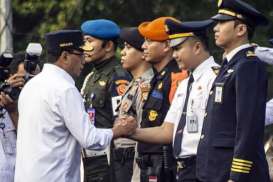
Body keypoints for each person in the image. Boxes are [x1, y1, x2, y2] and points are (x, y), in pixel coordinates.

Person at [14, 30, 136, 182]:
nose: (84, 61)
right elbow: (89, 139)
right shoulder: (64, 89)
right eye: (80, 55)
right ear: (65, 56)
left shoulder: (31, 86)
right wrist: (118, 130)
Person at [129, 19, 218, 182]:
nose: (174, 54)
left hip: (207, 167)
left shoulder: (216, 79)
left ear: (197, 47)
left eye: (177, 48)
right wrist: (130, 132)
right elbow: (167, 131)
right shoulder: (185, 84)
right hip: (184, 169)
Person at [196, 0, 270, 181]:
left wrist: (237, 174)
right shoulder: (230, 66)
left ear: (241, 30)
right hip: (216, 170)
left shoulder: (248, 66)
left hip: (233, 172)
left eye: (222, 22)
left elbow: (248, 126)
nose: (215, 28)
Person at [134, 16, 185, 182]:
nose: (143, 46)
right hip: (149, 162)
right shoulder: (158, 78)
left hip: (164, 163)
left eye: (149, 41)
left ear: (166, 46)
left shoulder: (177, 77)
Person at [80, 19, 131, 182]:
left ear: (108, 46)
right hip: (88, 158)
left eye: (89, 41)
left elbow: (122, 123)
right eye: (83, 41)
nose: (84, 47)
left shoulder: (118, 76)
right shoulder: (90, 77)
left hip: (109, 159)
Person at [112, 27, 154, 182]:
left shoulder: (146, 86)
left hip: (133, 163)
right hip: (121, 162)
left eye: (128, 48)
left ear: (143, 52)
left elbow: (143, 132)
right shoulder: (133, 84)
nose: (122, 52)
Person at [0, 52, 29, 182]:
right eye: (24, 79)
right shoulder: (4, 100)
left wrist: (13, 112)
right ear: (11, 78)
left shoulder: (44, 104)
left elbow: (31, 142)